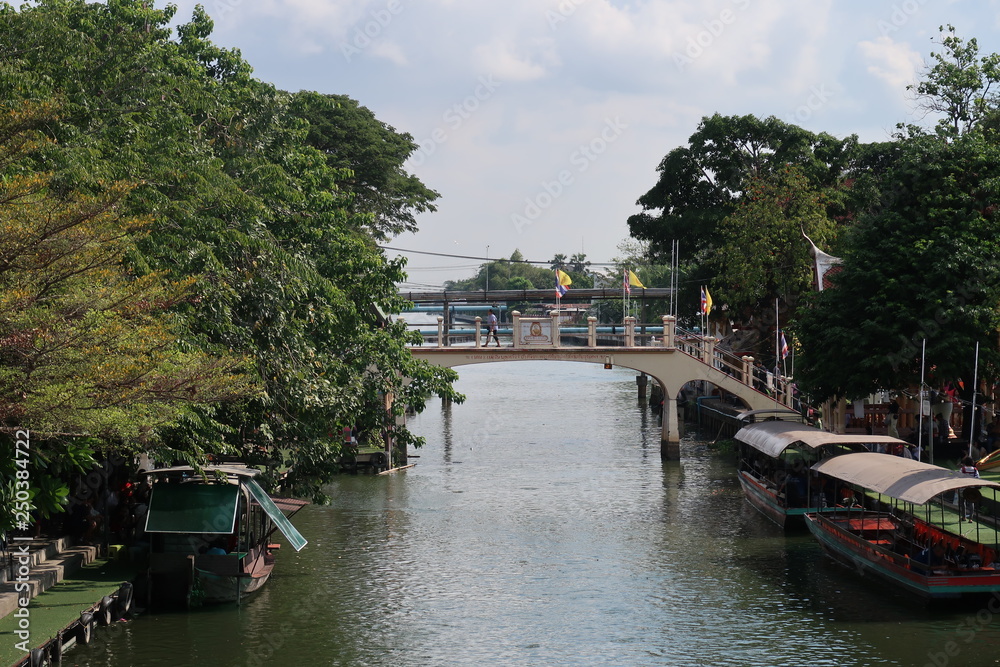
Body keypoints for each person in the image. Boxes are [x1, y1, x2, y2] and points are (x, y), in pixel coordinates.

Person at [959, 456, 980, 520]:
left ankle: (964, 517)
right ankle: (971, 518)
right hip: (972, 488)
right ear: (972, 462)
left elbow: (959, 478)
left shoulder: (962, 469)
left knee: (962, 502)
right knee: (971, 502)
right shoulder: (975, 469)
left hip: (963, 488)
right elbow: (977, 478)